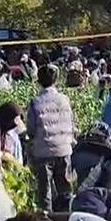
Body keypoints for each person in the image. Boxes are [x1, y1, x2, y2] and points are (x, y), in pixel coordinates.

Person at [26, 65, 75, 212]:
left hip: (44, 152)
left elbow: (31, 130)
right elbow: (71, 122)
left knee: (45, 191)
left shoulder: (36, 102)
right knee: (65, 189)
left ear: (39, 81)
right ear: (56, 80)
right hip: (64, 149)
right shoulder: (64, 99)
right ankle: (66, 218)